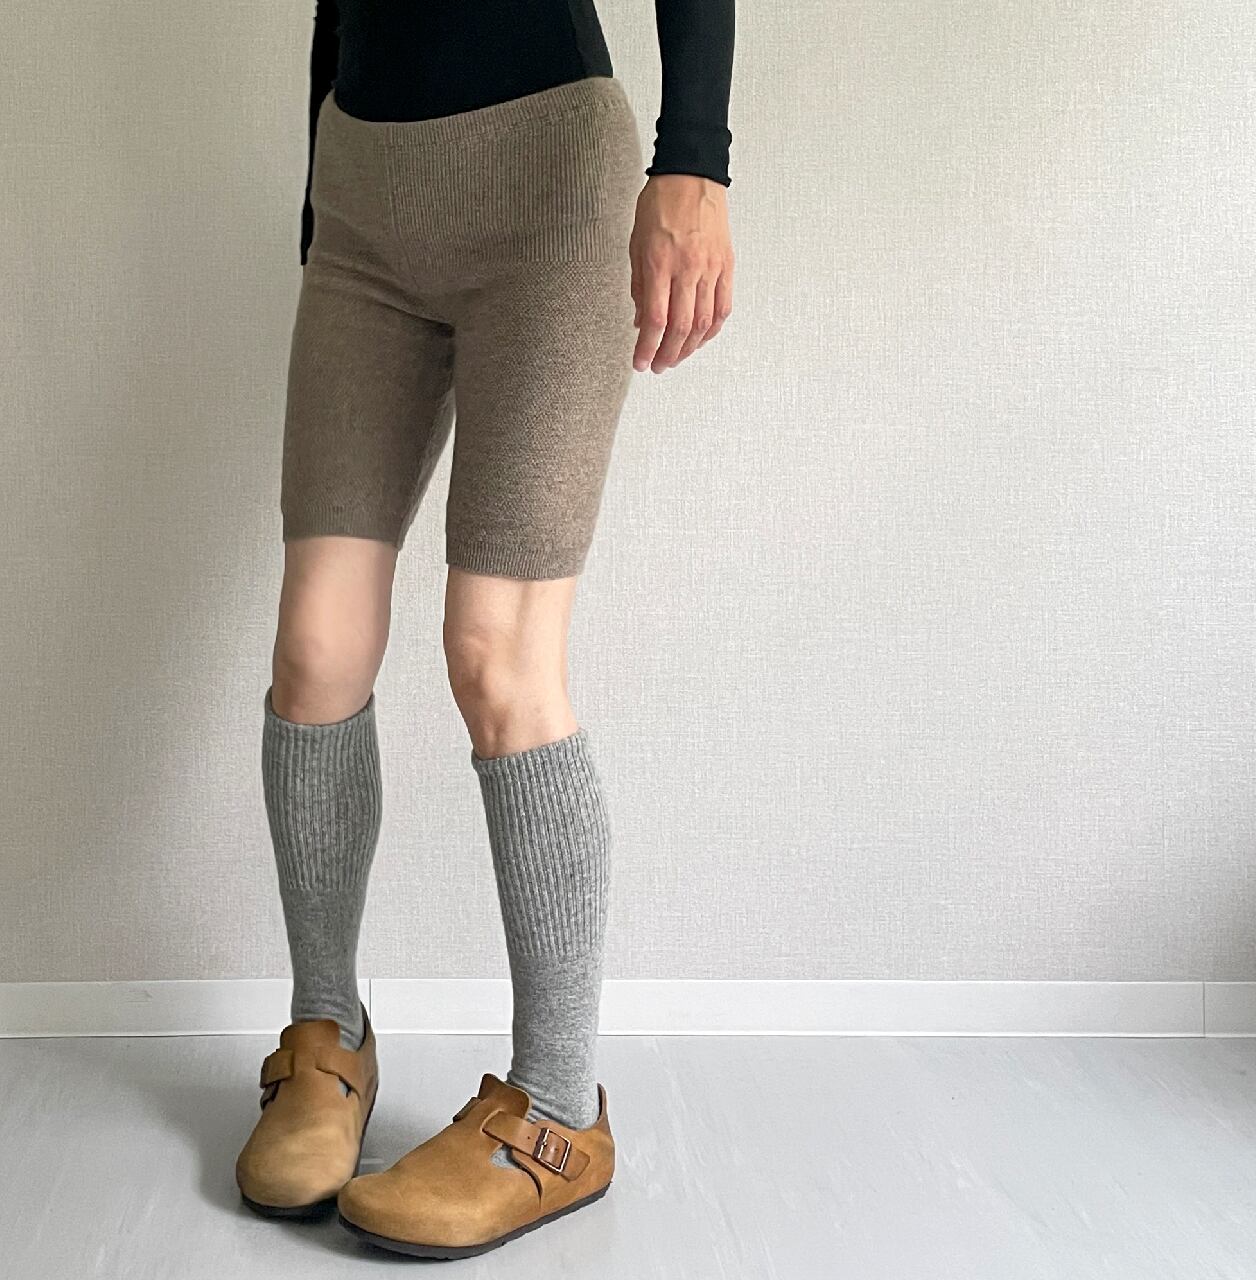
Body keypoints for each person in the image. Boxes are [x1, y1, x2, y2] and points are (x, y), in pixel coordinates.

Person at [234, 0, 734, 1260]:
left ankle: (556, 1111)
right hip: (361, 196)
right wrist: (315, 199)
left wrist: (694, 156)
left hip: (543, 180)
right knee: (314, 648)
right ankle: (326, 1038)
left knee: (496, 655)